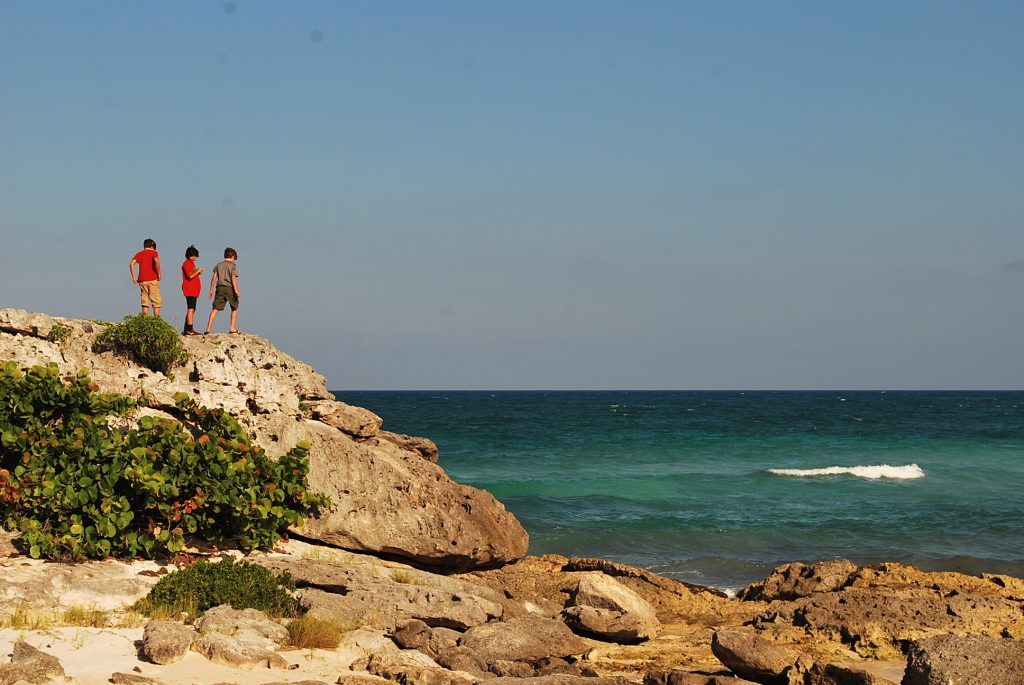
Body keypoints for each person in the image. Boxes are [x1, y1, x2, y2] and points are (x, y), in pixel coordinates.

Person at [204, 247, 240, 335]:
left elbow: (214, 277)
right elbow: (233, 278)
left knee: (215, 308)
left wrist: (211, 289)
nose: (234, 260)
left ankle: (208, 329)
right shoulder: (233, 266)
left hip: (219, 287)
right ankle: (232, 328)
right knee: (234, 307)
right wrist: (236, 290)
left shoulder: (218, 265)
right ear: (232, 256)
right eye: (234, 258)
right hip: (229, 288)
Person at [129, 239, 162, 316]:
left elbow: (131, 264)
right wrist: (159, 273)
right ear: (152, 246)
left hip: (142, 281)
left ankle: (145, 321)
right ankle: (157, 323)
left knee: (145, 303)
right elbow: (156, 261)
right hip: (152, 279)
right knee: (156, 302)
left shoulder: (139, 254)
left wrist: (134, 277)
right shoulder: (154, 252)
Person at [180, 245, 204, 335]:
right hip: (190, 289)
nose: (194, 258)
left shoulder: (191, 264)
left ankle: (187, 328)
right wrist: (198, 271)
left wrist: (198, 272)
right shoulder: (187, 263)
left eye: (195, 256)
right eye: (192, 256)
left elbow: (192, 275)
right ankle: (189, 329)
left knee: (192, 309)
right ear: (188, 256)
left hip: (193, 290)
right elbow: (190, 276)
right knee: (191, 308)